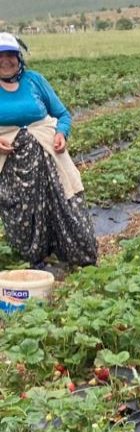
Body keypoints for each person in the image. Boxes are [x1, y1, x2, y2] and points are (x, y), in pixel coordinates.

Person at [0, 32, 97, 268]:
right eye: (0, 56)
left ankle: (78, 256)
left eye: (11, 55)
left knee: (66, 203)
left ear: (19, 57)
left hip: (48, 155)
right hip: (11, 165)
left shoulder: (34, 80)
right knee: (22, 214)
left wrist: (61, 133)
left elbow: (62, 114)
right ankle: (35, 260)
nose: (6, 61)